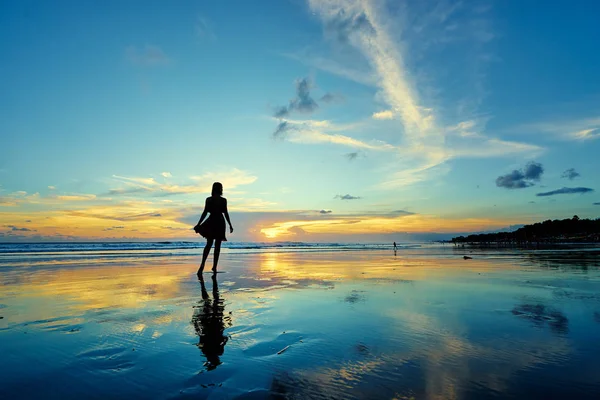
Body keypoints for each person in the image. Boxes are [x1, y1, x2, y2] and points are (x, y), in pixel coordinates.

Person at [194, 182, 233, 275]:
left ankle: (204, 265)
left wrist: (199, 223)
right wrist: (230, 225)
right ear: (220, 189)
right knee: (216, 246)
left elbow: (205, 212)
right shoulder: (222, 200)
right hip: (219, 222)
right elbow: (225, 213)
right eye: (221, 188)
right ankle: (213, 266)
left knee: (209, 244)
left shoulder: (209, 199)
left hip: (212, 221)